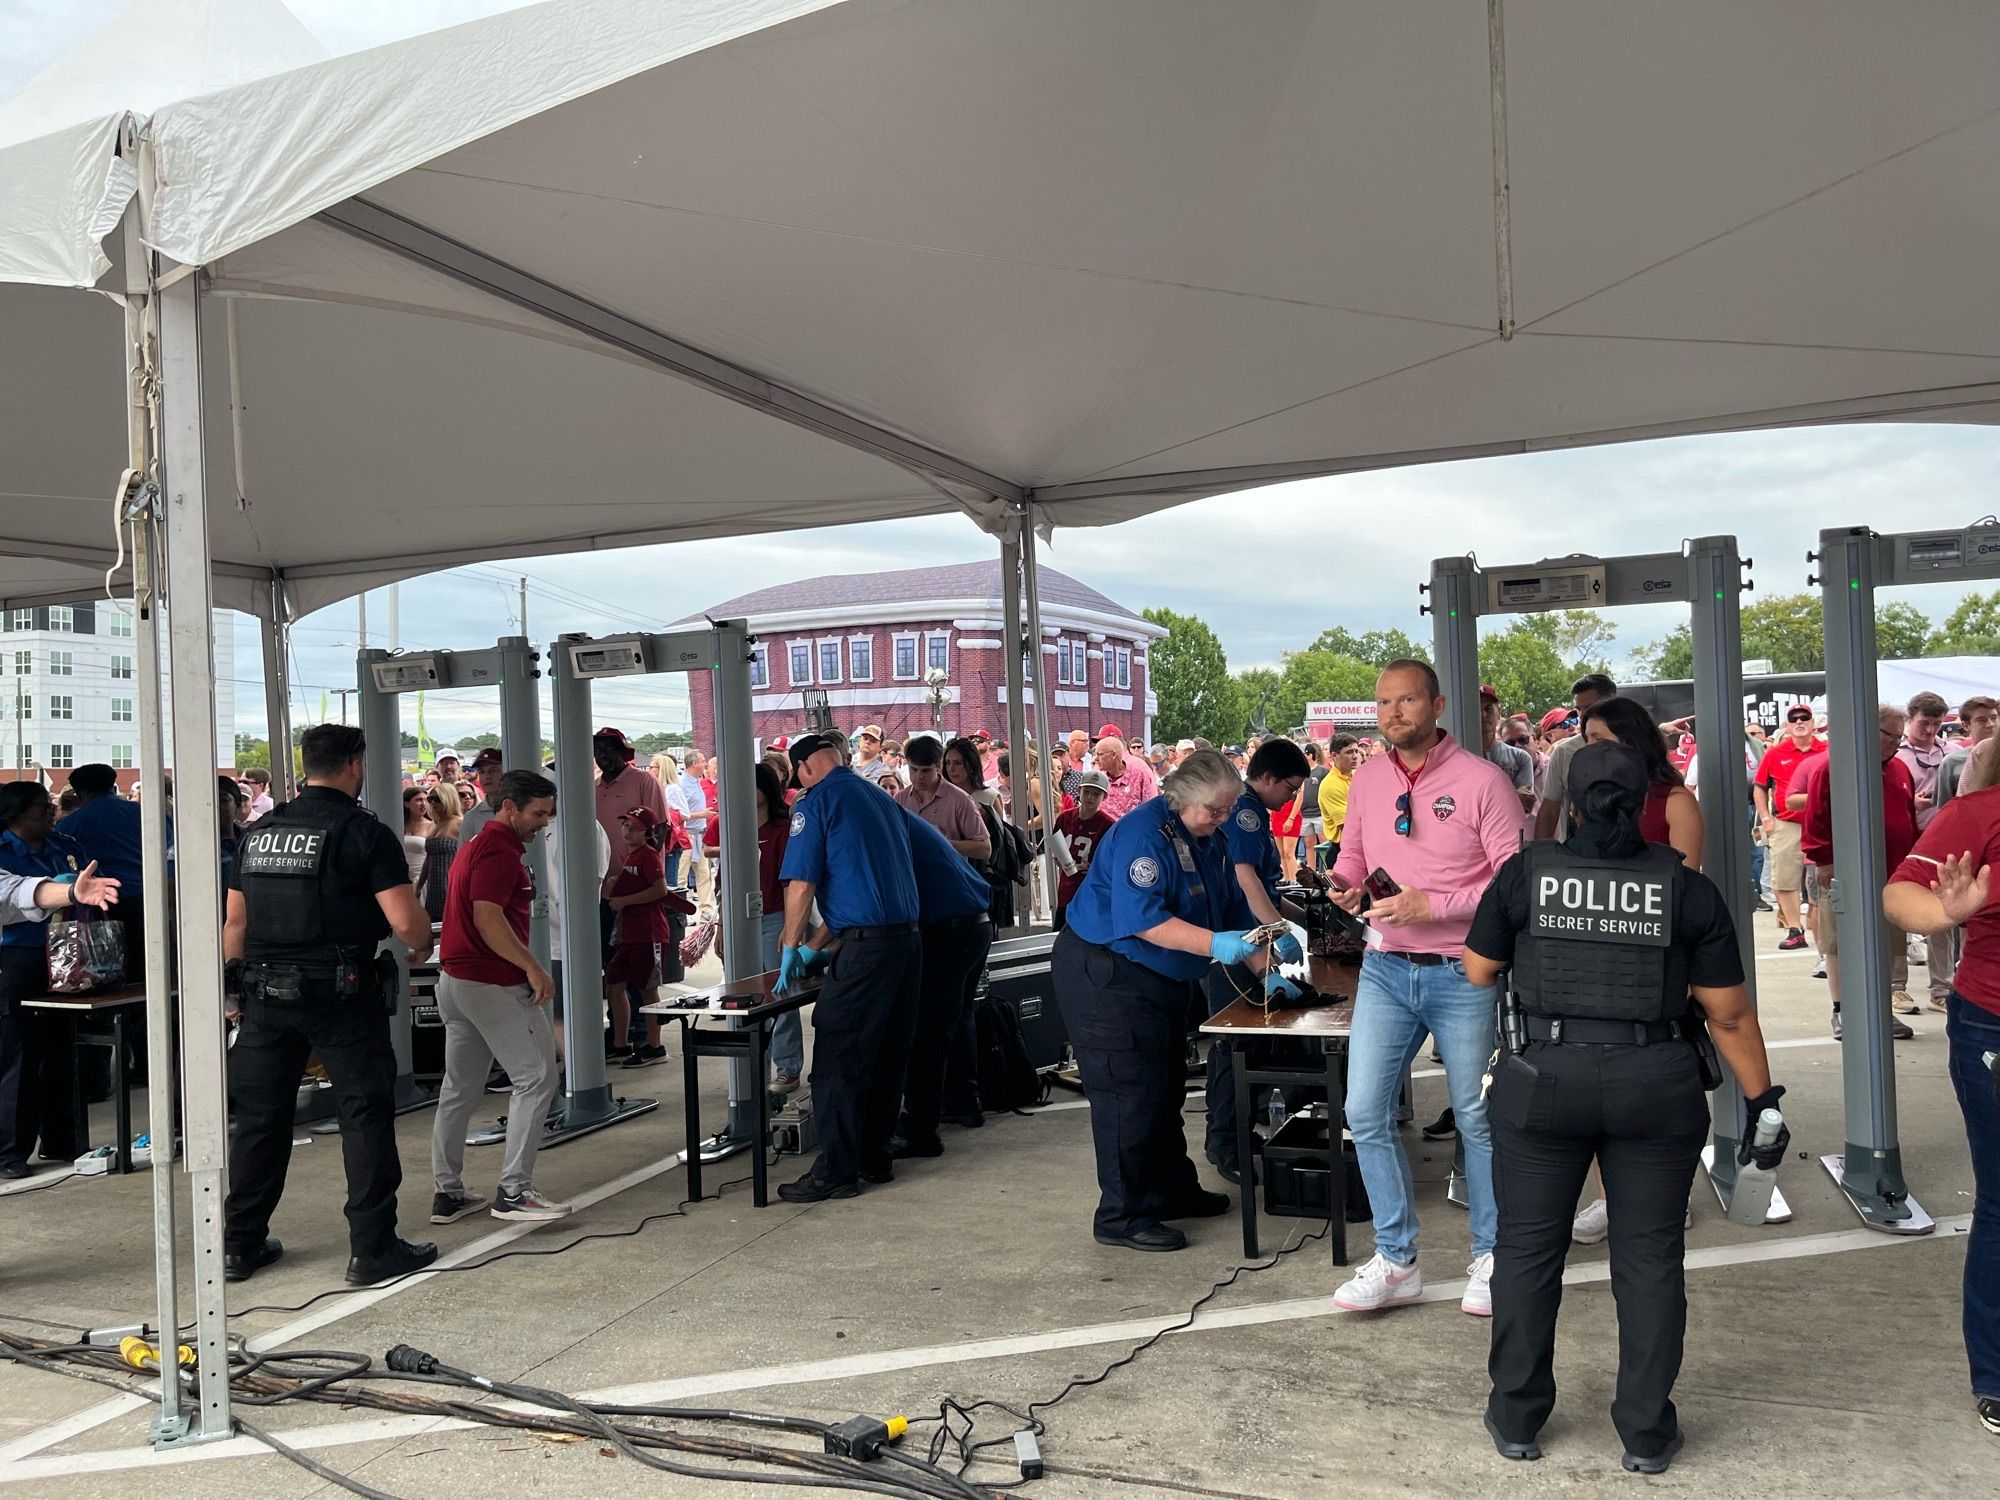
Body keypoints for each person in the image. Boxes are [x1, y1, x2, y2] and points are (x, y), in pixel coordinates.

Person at [1464, 741, 1787, 1473]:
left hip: (1544, 1079)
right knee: (1648, 1261)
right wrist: (1763, 1099)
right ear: (1646, 801)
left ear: (1571, 803)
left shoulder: (1527, 876)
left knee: (1527, 1251)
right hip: (1657, 1082)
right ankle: (1645, 1432)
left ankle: (1516, 1416)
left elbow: (1480, 970)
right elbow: (1730, 1018)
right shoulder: (1686, 889)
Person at [1327, 660, 1525, 1316]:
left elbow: (1513, 883)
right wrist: (1346, 886)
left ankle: (1493, 1254)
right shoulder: (1369, 778)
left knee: (1474, 1115)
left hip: (1462, 970)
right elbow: (1353, 854)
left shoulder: (1483, 781)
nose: (1393, 713)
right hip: (1385, 967)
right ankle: (1396, 1259)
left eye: (1406, 699)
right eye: (1384, 702)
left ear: (1436, 703)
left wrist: (1432, 905)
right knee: (1363, 1112)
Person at [223, 723, 438, 1286]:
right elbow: (407, 926)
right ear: (356, 764)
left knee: (259, 1122)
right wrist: (421, 942)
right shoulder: (361, 832)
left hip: (264, 994)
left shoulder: (260, 831)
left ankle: (239, 1245)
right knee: (364, 1116)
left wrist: (233, 991)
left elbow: (235, 923)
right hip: (341, 993)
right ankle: (372, 1249)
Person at [1053, 748, 1264, 1252]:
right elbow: (1145, 920)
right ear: (1180, 797)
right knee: (1129, 1095)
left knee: (1166, 1085)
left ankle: (1170, 1189)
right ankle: (1123, 1214)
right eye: (1214, 810)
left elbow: (1234, 908)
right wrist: (1216, 946)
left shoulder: (1206, 834)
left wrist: (1267, 966)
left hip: (1161, 977)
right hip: (1108, 972)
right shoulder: (1142, 837)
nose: (1222, 818)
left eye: (1227, 810)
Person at [1883, 780, 2000, 1442]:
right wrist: (1943, 914)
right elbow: (1900, 895)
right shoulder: (1978, 813)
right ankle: (1996, 1375)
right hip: (1994, 1024)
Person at [775, 731, 923, 1202]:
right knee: (886, 1056)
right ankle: (874, 1157)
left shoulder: (814, 804)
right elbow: (863, 883)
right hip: (907, 945)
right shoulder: (881, 798)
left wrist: (790, 946)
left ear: (802, 770)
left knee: (840, 1061)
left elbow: (801, 883)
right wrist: (820, 942)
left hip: (865, 953)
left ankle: (835, 1170)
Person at [430, 770, 571, 1225]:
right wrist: (531, 965)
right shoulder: (497, 852)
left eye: (549, 814)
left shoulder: (476, 844)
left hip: (456, 981)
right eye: (537, 813)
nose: (544, 823)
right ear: (509, 807)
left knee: (459, 1088)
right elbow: (488, 919)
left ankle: (448, 1192)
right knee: (537, 1078)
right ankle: (514, 1190)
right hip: (489, 982)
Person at [1203, 737, 1310, 1184]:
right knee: (1237, 1048)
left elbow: (1266, 887)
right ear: (1266, 777)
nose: (1292, 797)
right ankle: (1226, 1142)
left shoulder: (1254, 812)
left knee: (1257, 1046)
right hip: (1240, 947)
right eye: (1289, 787)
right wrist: (1281, 932)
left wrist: (1307, 920)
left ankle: (1241, 1130)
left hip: (1251, 941)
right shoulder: (1245, 814)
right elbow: (1246, 879)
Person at [1804, 705, 1920, 1041]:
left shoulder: (1899, 769)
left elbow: (1908, 819)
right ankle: (1843, 1011)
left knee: (1888, 945)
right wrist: (1824, 861)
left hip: (1893, 873)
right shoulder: (1833, 768)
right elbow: (1816, 819)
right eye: (1889, 736)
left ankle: (1880, 1011)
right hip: (1844, 873)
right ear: (1869, 730)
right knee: (1838, 944)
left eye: (1899, 737)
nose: (1895, 744)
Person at [888, 807, 996, 1158]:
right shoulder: (901, 818)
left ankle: (921, 1129)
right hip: (972, 922)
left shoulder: (883, 828)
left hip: (947, 929)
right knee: (956, 1018)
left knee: (926, 1031)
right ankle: (964, 1102)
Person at [0, 783, 92, 1178]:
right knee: (17, 1056)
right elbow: (14, 895)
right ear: (16, 814)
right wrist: (63, 890)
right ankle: (10, 1152)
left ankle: (63, 1138)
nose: (50, 812)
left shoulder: (62, 845)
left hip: (65, 955)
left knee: (62, 1048)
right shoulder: (3, 851)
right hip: (15, 957)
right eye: (41, 807)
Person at [604, 806, 691, 1068]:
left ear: (648, 832)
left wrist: (623, 900)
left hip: (648, 932)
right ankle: (620, 1043)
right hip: (629, 934)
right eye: (625, 825)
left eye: (634, 827)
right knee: (614, 985)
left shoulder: (648, 857)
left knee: (647, 990)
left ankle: (655, 1045)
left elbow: (659, 890)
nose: (627, 830)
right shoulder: (632, 857)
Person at [1579, 697, 1702, 868]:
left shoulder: (1675, 801)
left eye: (1598, 739)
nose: (1588, 748)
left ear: (1630, 740)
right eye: (1587, 739)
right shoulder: (1590, 796)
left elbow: (1687, 878)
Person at [57, 762, 151, 980]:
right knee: (147, 970)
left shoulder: (69, 826)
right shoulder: (147, 814)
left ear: (79, 793)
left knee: (107, 971)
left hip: (100, 906)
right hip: (149, 900)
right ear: (113, 785)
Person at [748, 761, 803, 1090]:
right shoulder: (737, 827)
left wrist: (790, 927)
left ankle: (787, 1066)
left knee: (779, 994)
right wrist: (724, 927)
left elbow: (790, 881)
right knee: (745, 998)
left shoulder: (783, 829)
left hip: (775, 918)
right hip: (743, 921)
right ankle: (751, 1068)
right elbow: (725, 880)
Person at [1753, 704, 1825, 952]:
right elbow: (1760, 786)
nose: (1799, 722)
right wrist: (1765, 818)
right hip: (1787, 822)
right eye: (1793, 719)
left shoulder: (1827, 750)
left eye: (1804, 718)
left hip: (1823, 822)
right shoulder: (1775, 753)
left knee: (1823, 878)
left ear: (1812, 722)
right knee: (1785, 878)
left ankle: (1823, 930)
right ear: (1787, 724)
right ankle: (1795, 929)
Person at [1532, 674, 1617, 842]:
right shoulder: (1564, 752)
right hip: (1576, 855)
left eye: (1591, 707)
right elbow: (1549, 808)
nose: (1584, 715)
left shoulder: (1638, 746)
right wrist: (1539, 856)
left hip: (1632, 856)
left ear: (1614, 704)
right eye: (1579, 709)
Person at [1051, 770, 1114, 931]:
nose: (1090, 798)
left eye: (1096, 794)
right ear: (1079, 790)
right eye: (1087, 792)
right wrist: (1058, 858)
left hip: (1091, 890)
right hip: (1067, 889)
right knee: (1060, 935)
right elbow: (1057, 847)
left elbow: (1111, 861)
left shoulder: (1107, 825)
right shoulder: (1064, 818)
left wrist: (1094, 867)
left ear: (1104, 797)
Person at [1480, 686, 1536, 813]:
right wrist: (1513, 796)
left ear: (1498, 712)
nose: (1483, 715)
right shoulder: (1461, 756)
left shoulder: (1520, 757)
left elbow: (1525, 805)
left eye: (1488, 708)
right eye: (1476, 709)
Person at [416, 780, 463, 922]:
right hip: (434, 889)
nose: (433, 803)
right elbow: (429, 858)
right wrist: (419, 886)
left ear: (449, 799)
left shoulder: (459, 823)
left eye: (438, 799)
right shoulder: (433, 825)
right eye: (431, 799)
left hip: (453, 887)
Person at [1092, 731, 1158, 821]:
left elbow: (1152, 806)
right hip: (1103, 831)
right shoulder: (1098, 772)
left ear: (1114, 754)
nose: (1096, 758)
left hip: (1131, 830)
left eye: (1100, 753)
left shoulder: (1139, 768)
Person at [1317, 733, 1358, 859]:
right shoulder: (1331, 785)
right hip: (1343, 850)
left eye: (1356, 751)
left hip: (1356, 846)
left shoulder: (1356, 777)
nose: (1355, 756)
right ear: (1334, 755)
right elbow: (1347, 826)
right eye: (1349, 752)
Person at [457, 748, 506, 841]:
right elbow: (464, 854)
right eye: (481, 772)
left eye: (493, 770)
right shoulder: (471, 818)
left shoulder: (521, 810)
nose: (487, 776)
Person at [401, 785, 431, 886]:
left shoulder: (432, 825)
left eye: (426, 800)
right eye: (418, 800)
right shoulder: (399, 825)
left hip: (422, 880)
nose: (423, 804)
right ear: (406, 803)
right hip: (401, 878)